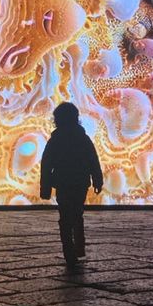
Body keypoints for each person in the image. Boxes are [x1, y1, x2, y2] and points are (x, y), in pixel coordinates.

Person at [40, 102, 103, 269]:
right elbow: (93, 160)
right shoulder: (83, 139)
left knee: (65, 217)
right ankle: (78, 248)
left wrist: (45, 188)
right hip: (80, 182)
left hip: (63, 183)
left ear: (57, 120)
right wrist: (97, 180)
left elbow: (46, 164)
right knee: (77, 213)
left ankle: (69, 250)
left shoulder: (56, 140)